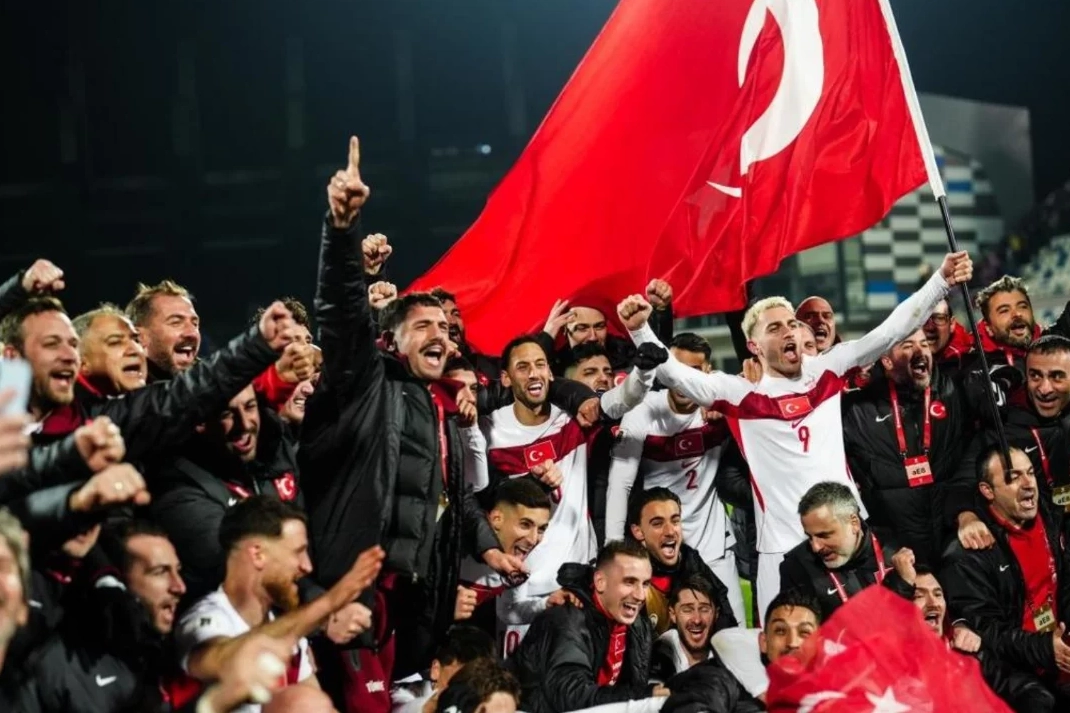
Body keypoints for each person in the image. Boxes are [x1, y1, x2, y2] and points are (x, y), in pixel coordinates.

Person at [618, 249, 972, 621]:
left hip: (848, 534)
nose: (788, 331)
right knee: (783, 643)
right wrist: (641, 329)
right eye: (774, 328)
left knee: (873, 632)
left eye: (790, 323)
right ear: (754, 346)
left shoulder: (828, 369)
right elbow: (675, 375)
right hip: (782, 545)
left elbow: (890, 332)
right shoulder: (740, 393)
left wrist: (940, 281)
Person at [299, 137, 521, 681]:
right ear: (392, 340)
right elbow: (341, 315)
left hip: (420, 593)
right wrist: (343, 233)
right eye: (422, 326)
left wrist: (488, 550)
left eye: (444, 328)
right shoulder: (366, 383)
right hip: (358, 588)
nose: (439, 335)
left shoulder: (437, 403)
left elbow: (451, 496)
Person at [176, 497, 385, 712]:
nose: (307, 566)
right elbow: (225, 658)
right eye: (298, 552)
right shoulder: (206, 621)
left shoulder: (286, 627)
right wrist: (329, 603)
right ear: (258, 555)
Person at [606, 332, 741, 622]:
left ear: (707, 372)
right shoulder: (643, 410)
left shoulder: (721, 402)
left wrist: (726, 409)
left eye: (693, 371)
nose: (683, 380)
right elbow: (620, 484)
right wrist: (613, 550)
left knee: (732, 634)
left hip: (713, 545)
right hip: (662, 551)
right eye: (676, 369)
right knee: (665, 638)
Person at [841, 328, 986, 565]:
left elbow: (972, 457)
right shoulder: (857, 410)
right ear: (887, 361)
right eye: (908, 346)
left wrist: (965, 511)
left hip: (952, 541)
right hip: (897, 554)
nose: (921, 351)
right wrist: (888, 550)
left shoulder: (953, 393)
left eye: (924, 344)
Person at [149, 382, 303, 602]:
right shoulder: (179, 489)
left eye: (250, 407)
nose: (245, 424)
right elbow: (241, 569)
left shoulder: (274, 448)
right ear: (200, 422)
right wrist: (325, 603)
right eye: (226, 414)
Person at [942, 446, 1070, 704]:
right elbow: (986, 631)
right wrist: (1044, 649)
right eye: (1013, 478)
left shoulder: (1051, 517)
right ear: (987, 491)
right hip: (1018, 668)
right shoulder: (968, 553)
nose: (1028, 484)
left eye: (1030, 473)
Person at [506, 540, 667, 713]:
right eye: (629, 582)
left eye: (645, 584)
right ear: (600, 582)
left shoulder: (639, 626)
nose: (640, 595)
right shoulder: (566, 621)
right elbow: (572, 698)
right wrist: (646, 696)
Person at [778, 482, 916, 621]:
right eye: (810, 537)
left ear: (854, 523)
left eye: (824, 535)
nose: (816, 547)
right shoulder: (797, 568)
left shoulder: (898, 546)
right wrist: (902, 586)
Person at [626, 488, 737, 635]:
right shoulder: (627, 573)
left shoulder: (689, 558)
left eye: (675, 521)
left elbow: (721, 605)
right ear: (638, 532)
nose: (670, 531)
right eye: (658, 523)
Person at [456, 479, 551, 639]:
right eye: (525, 525)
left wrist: (546, 605)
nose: (533, 539)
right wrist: (444, 608)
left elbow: (509, 610)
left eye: (541, 529)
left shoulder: (518, 562)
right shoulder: (457, 539)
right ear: (496, 519)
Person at [710, 592, 822, 705]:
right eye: (780, 631)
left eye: (804, 632)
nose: (792, 643)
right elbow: (726, 638)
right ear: (763, 642)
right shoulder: (722, 684)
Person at [390, 626, 497, 713]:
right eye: (462, 677)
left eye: (478, 679)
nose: (469, 687)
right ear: (436, 669)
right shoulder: (400, 694)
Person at [124, 280, 202, 381]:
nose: (192, 333)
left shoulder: (206, 381)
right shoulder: (126, 386)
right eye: (176, 322)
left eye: (195, 324)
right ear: (139, 338)